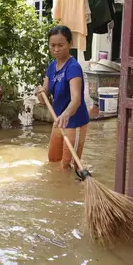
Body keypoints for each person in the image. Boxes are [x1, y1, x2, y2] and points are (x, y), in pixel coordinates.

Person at [37, 25, 90, 170]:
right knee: (53, 161)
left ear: (70, 44)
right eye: (52, 45)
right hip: (59, 121)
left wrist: (66, 114)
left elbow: (76, 99)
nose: (56, 49)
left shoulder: (73, 67)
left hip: (74, 122)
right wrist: (40, 93)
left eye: (61, 45)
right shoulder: (51, 66)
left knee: (68, 166)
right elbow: (44, 99)